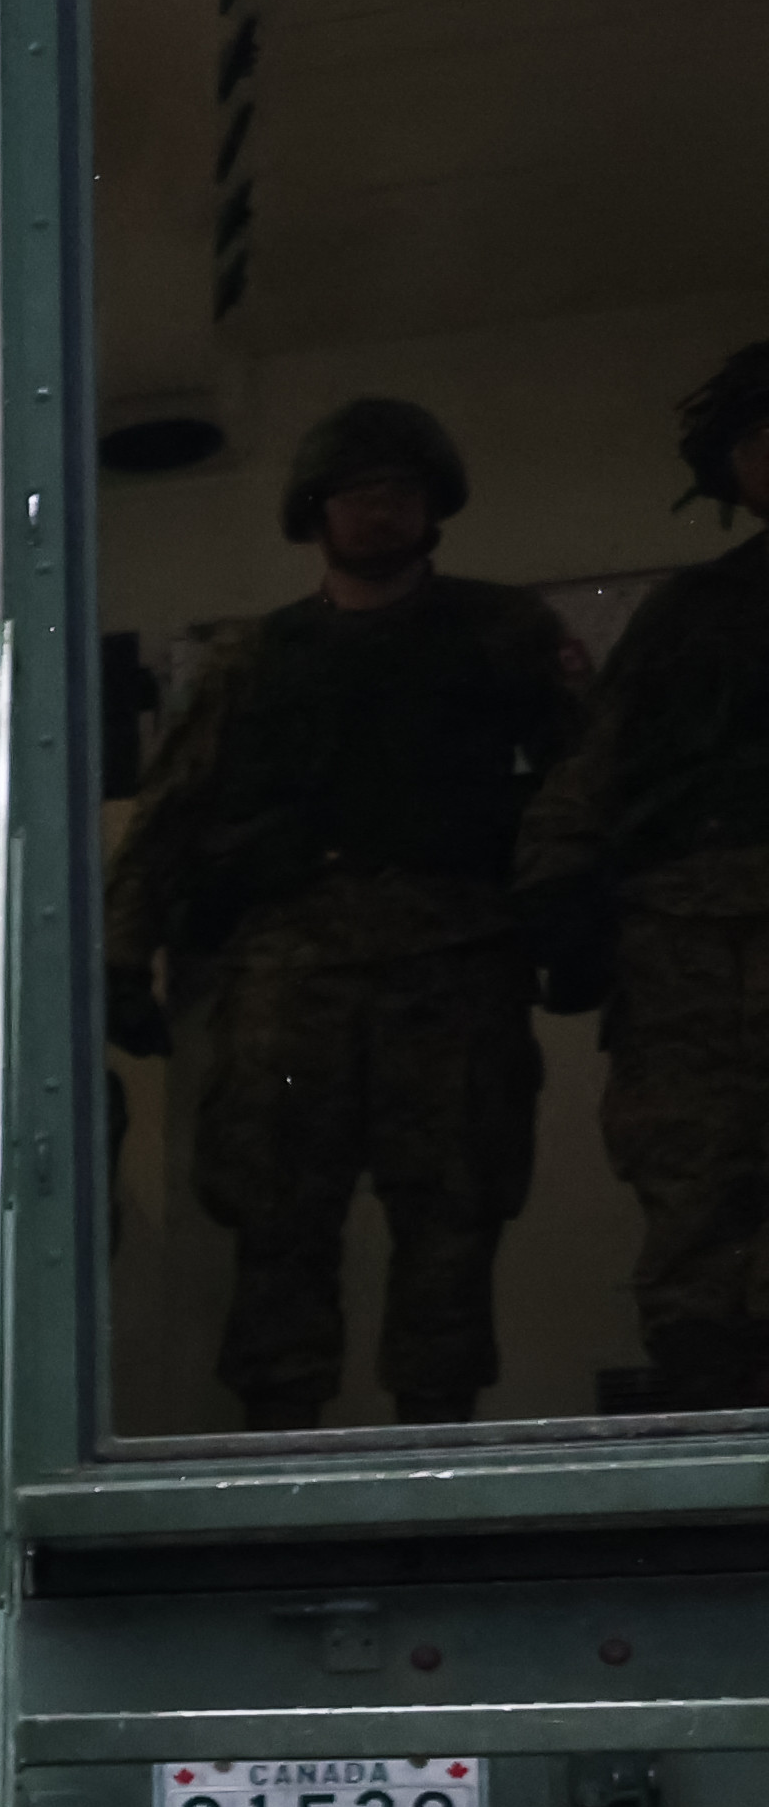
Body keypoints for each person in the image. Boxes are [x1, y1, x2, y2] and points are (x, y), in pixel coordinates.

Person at [111, 396, 585, 1429]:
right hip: (289, 975)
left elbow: (582, 781)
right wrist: (119, 955)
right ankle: (279, 1453)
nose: (378, 512)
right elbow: (171, 810)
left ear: (432, 509)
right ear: (313, 513)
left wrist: (570, 917)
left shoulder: (502, 633)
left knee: (452, 1213)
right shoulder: (254, 657)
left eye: (399, 492)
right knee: (274, 1215)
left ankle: (437, 1449)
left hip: (453, 962)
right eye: (356, 493)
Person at [512, 338, 769, 1418]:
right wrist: (559, 902)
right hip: (689, 951)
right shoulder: (688, 614)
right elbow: (594, 772)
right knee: (695, 1207)